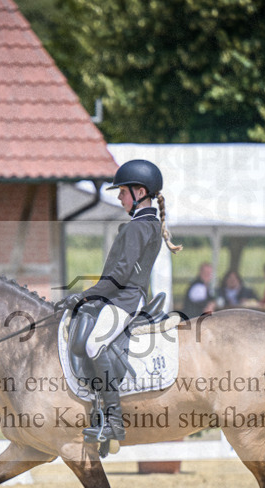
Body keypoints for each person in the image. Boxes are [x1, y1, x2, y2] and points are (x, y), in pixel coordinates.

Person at [55, 159, 181, 447]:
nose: (119, 197)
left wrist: (85, 295)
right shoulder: (144, 223)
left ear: (139, 192)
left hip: (124, 299)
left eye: (122, 192)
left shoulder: (139, 227)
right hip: (120, 296)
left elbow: (119, 276)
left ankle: (113, 420)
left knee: (93, 344)